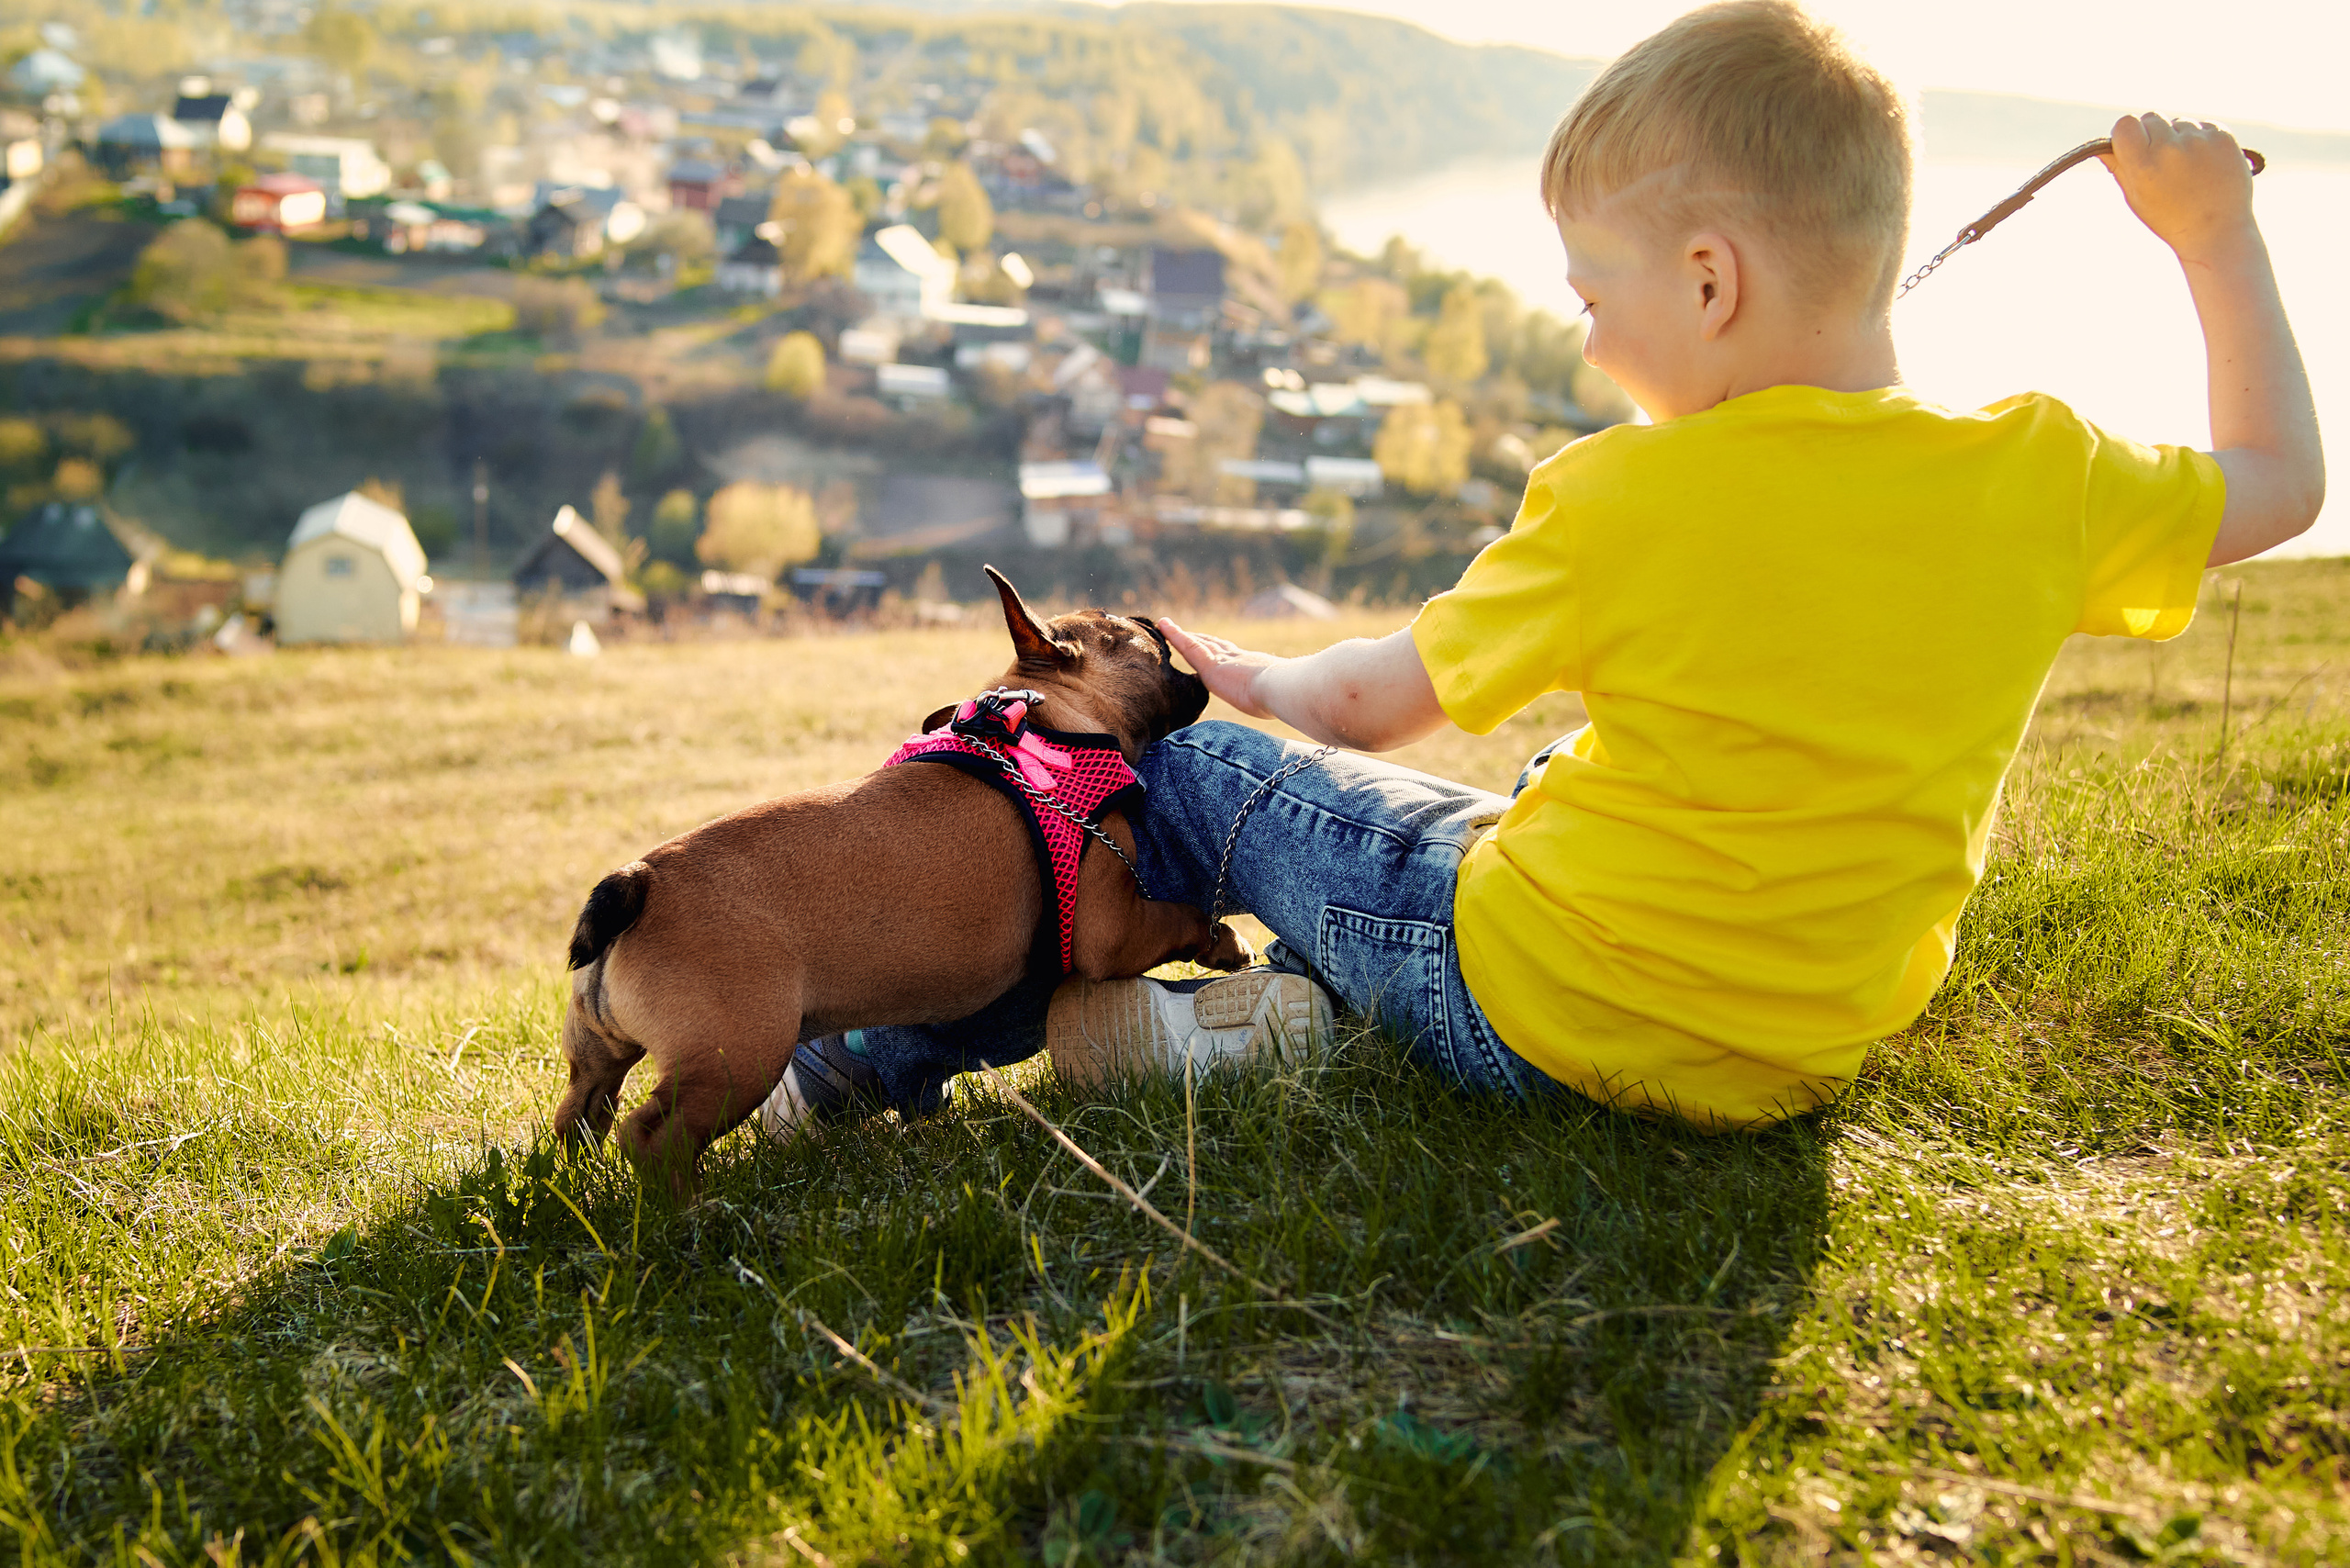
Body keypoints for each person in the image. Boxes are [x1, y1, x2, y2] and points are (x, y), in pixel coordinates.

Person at [766, 0, 2322, 1140]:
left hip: (1534, 1010)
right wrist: (2215, 236)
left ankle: (842, 1066)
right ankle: (1239, 1032)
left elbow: (1366, 712)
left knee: (1173, 776)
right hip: (1799, 1049)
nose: (1584, 341)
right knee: (1527, 798)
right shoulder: (2037, 474)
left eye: (1591, 299)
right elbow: (2283, 483)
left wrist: (1248, 680)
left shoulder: (1621, 493)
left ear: (1709, 283)